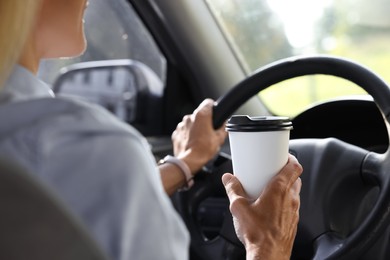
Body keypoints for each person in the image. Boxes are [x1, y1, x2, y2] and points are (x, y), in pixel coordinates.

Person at [0, 0, 303, 260]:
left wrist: (184, 162)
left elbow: (72, 203)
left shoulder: (47, 148)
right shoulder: (84, 146)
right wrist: (267, 245)